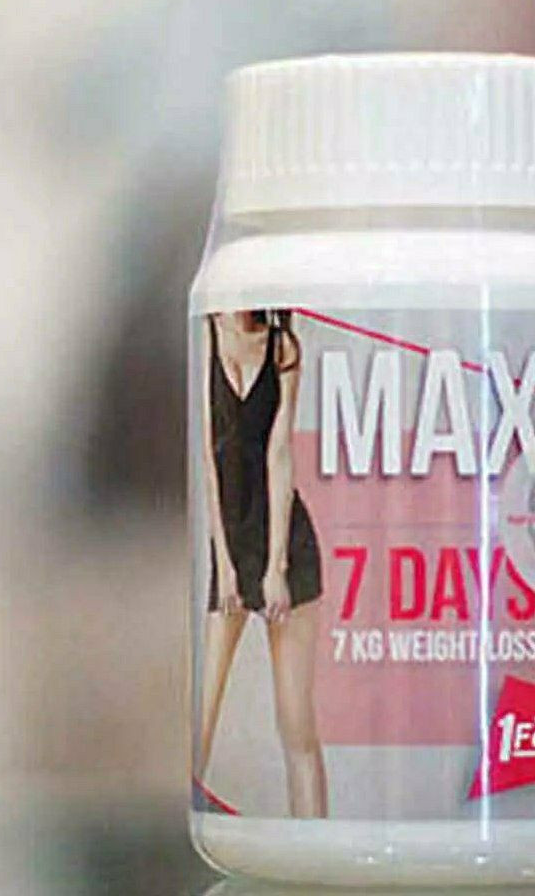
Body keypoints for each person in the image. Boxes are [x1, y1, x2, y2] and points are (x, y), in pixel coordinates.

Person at [195, 309, 327, 817]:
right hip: (230, 536)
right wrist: (225, 565)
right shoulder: (203, 335)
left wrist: (276, 567)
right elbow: (209, 459)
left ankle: (315, 846)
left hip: (284, 539)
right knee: (199, 719)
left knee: (297, 724)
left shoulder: (282, 347)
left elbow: (279, 454)